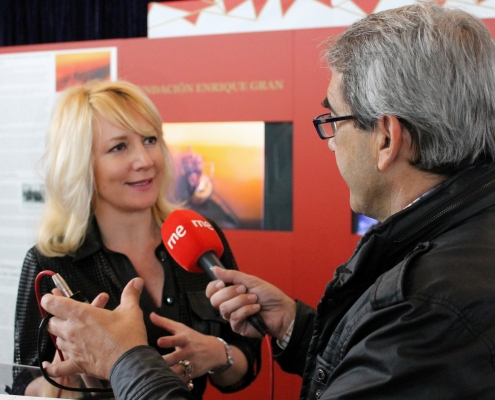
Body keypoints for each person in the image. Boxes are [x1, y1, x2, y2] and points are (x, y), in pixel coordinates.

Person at [39, 2, 495, 399]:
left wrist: (126, 362)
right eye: (119, 147)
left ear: (386, 139)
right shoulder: (455, 248)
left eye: (333, 119)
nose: (331, 141)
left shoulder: (431, 306)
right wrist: (295, 325)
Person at [13, 80, 261, 398]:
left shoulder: (200, 234)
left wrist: (216, 352)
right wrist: (57, 388)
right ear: (82, 164)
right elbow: (23, 381)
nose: (145, 160)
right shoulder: (49, 260)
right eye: (119, 147)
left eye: (150, 140)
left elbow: (244, 364)